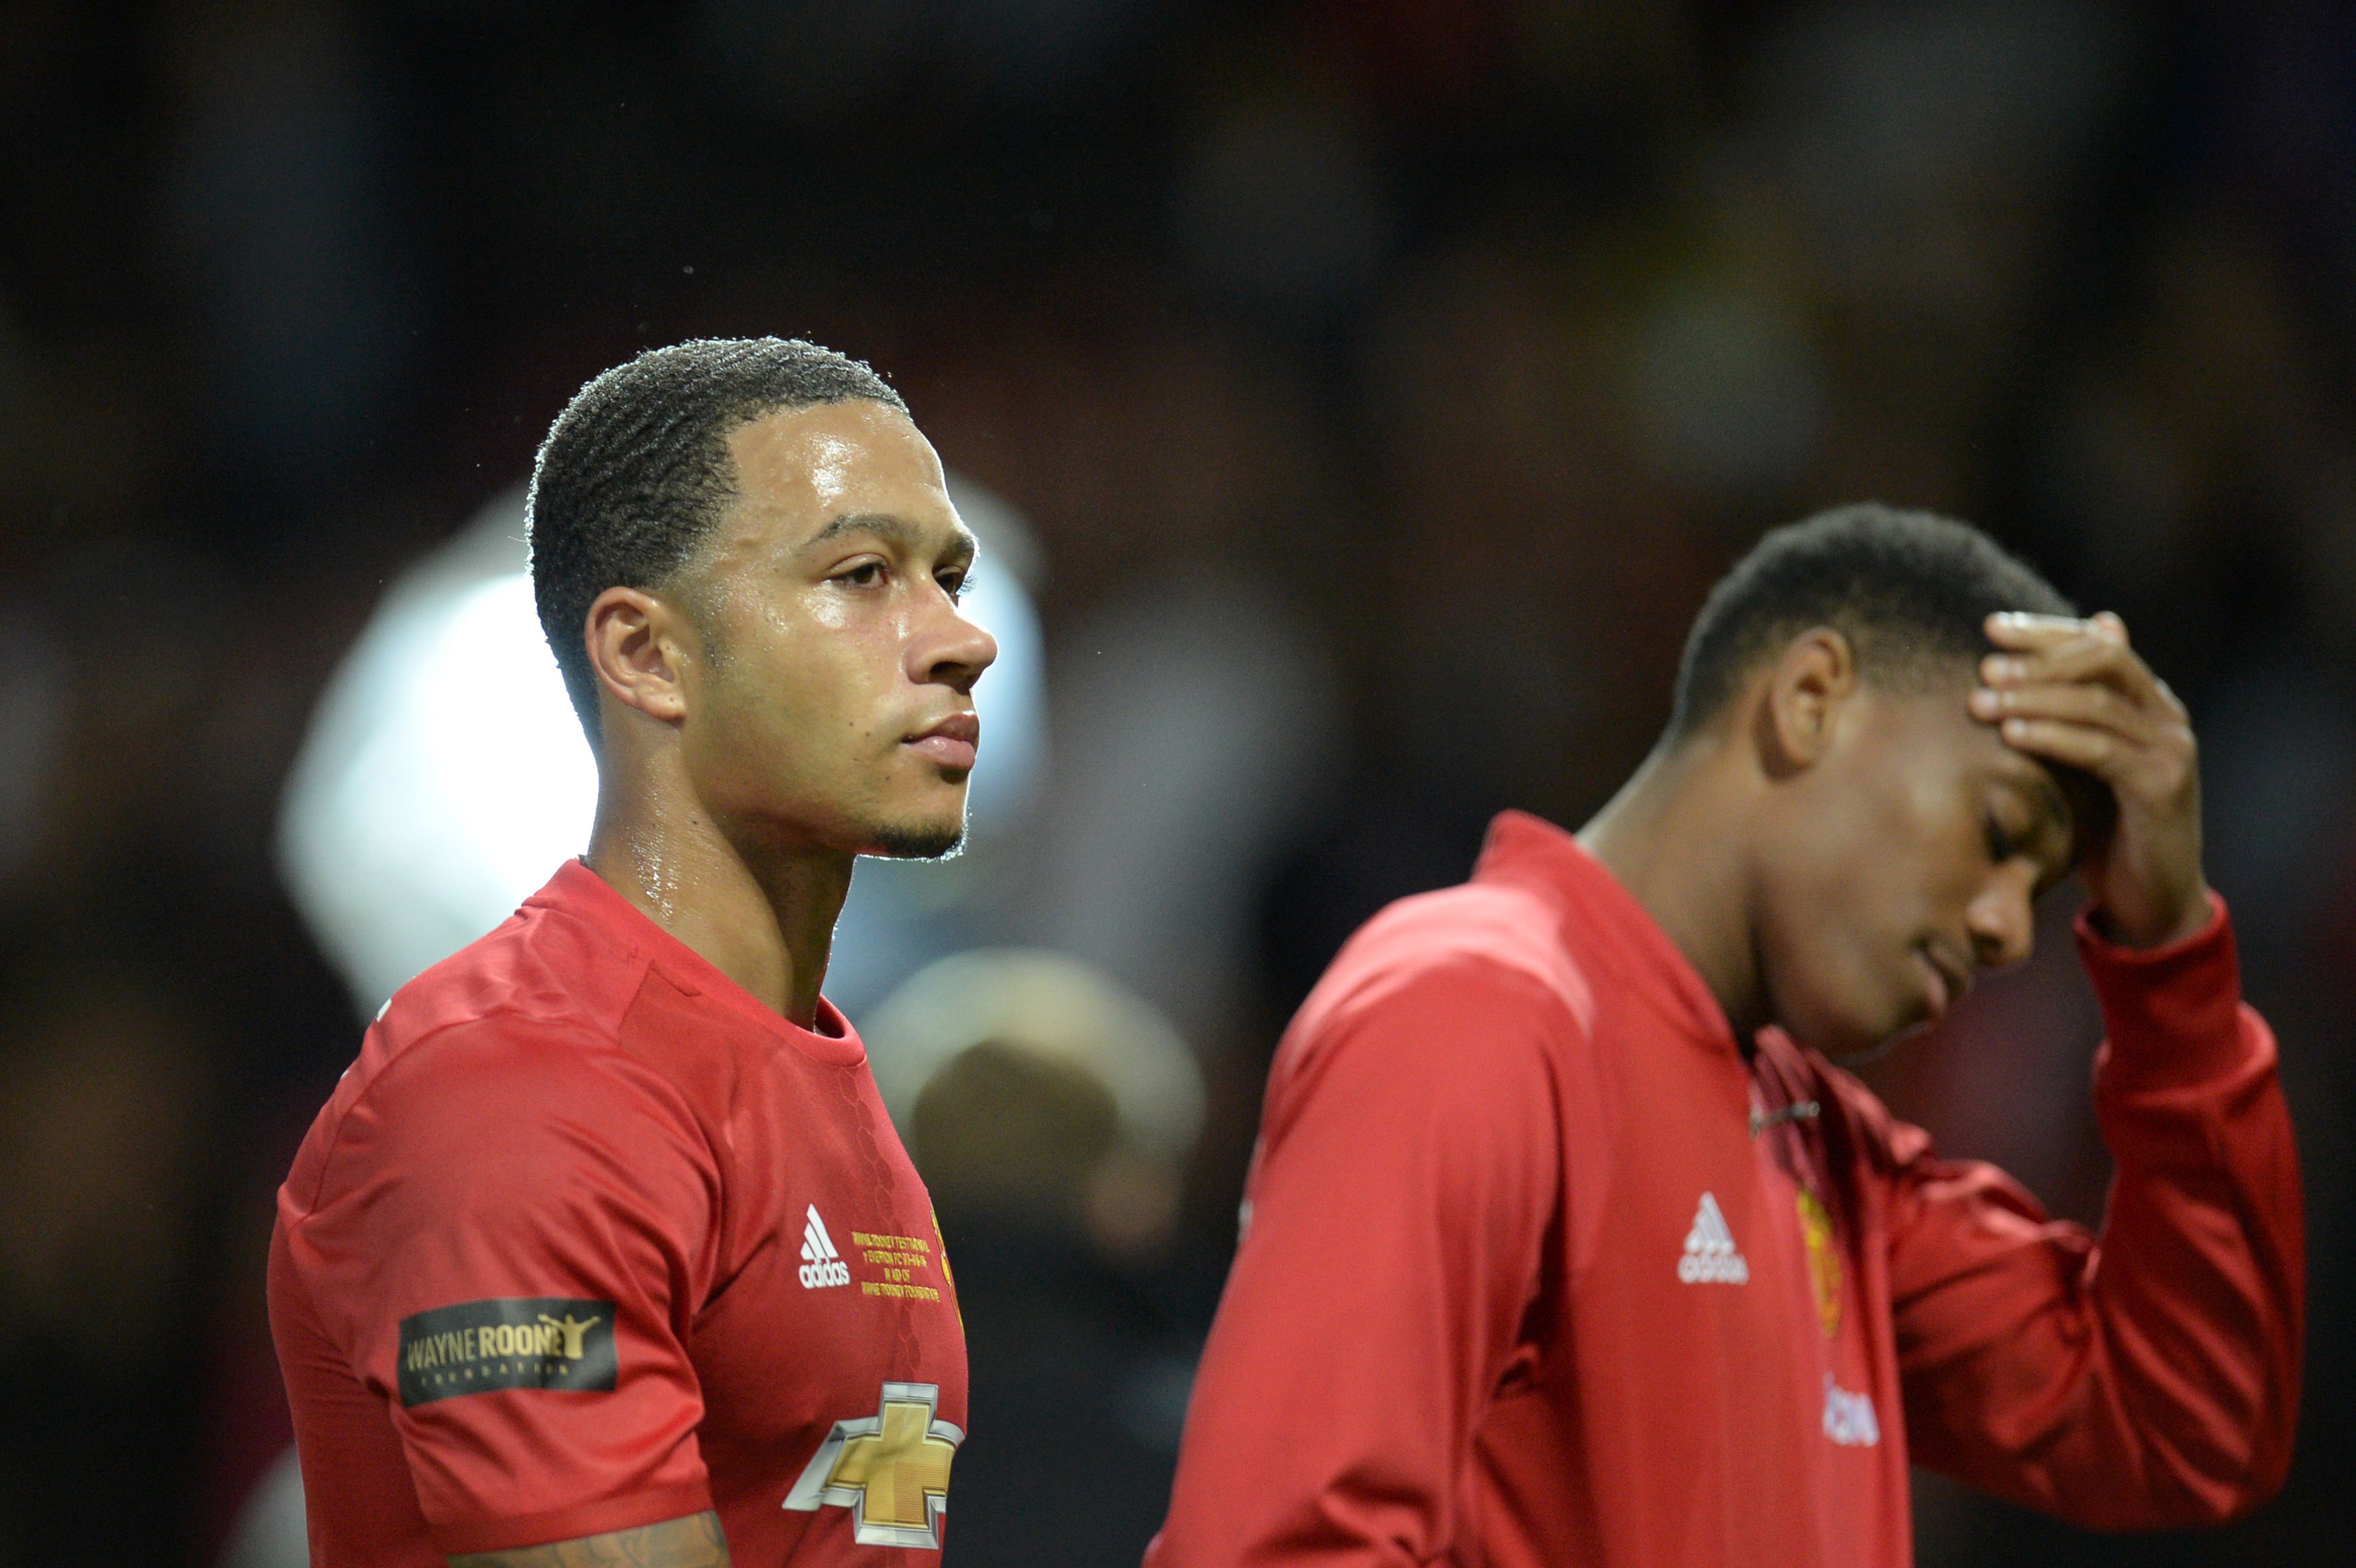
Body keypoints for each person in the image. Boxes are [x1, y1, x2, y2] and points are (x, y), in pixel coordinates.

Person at [1148, 505, 2303, 1568]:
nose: (2006, 929)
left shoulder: (1818, 1149)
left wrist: (2171, 961)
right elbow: (1278, 1546)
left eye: (2043, 891)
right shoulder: (1478, 1010)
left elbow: (2185, 1422)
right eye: (1998, 829)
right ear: (1812, 697)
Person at [270, 338, 996, 1568]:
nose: (958, 640)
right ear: (647, 655)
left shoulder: (800, 1063)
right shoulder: (514, 1092)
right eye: (864, 574)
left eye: (949, 577)